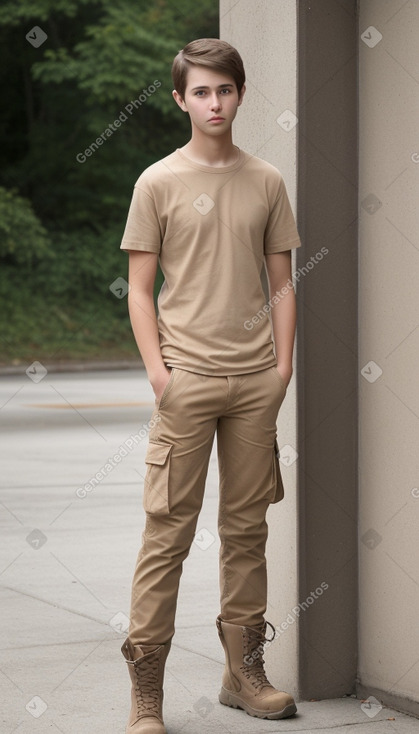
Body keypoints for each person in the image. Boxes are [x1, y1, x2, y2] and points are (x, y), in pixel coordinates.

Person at [119, 37, 301, 734]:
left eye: (223, 89)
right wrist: (161, 375)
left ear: (240, 93)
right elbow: (140, 291)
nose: (213, 102)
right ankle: (146, 692)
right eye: (200, 90)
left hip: (256, 380)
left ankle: (242, 673)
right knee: (167, 533)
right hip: (187, 381)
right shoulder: (156, 182)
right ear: (179, 99)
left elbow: (282, 282)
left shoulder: (265, 180)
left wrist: (280, 370)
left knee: (245, 532)